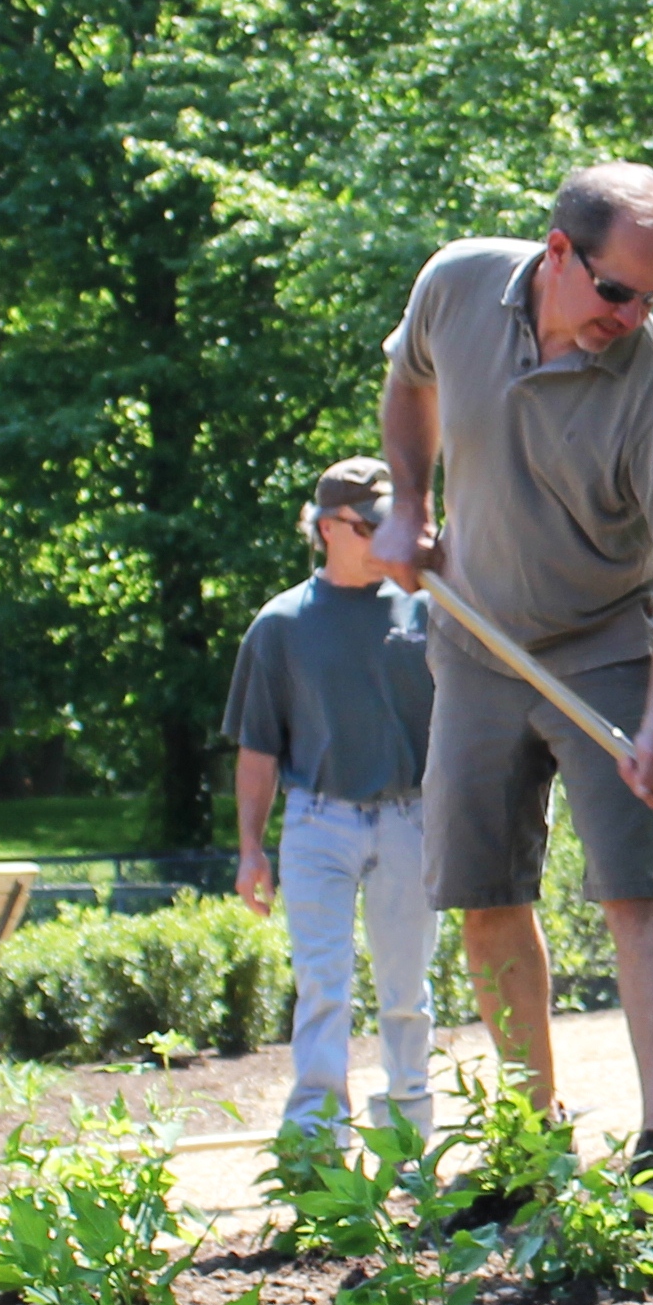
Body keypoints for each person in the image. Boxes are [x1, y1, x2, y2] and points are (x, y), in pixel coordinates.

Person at [376, 166, 653, 1203]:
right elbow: (412, 382)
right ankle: (535, 1145)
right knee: (484, 892)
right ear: (559, 251)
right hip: (476, 640)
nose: (634, 316)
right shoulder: (457, 286)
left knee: (636, 886)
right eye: (618, 291)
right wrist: (409, 501)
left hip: (606, 647)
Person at [228, 458, 443, 1146]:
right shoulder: (280, 624)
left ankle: (408, 1139)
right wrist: (251, 850)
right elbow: (258, 748)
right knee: (323, 987)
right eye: (369, 526)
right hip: (317, 822)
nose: (388, 540)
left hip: (410, 819)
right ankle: (317, 1142)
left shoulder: (428, 607)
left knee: (406, 993)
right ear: (326, 528)